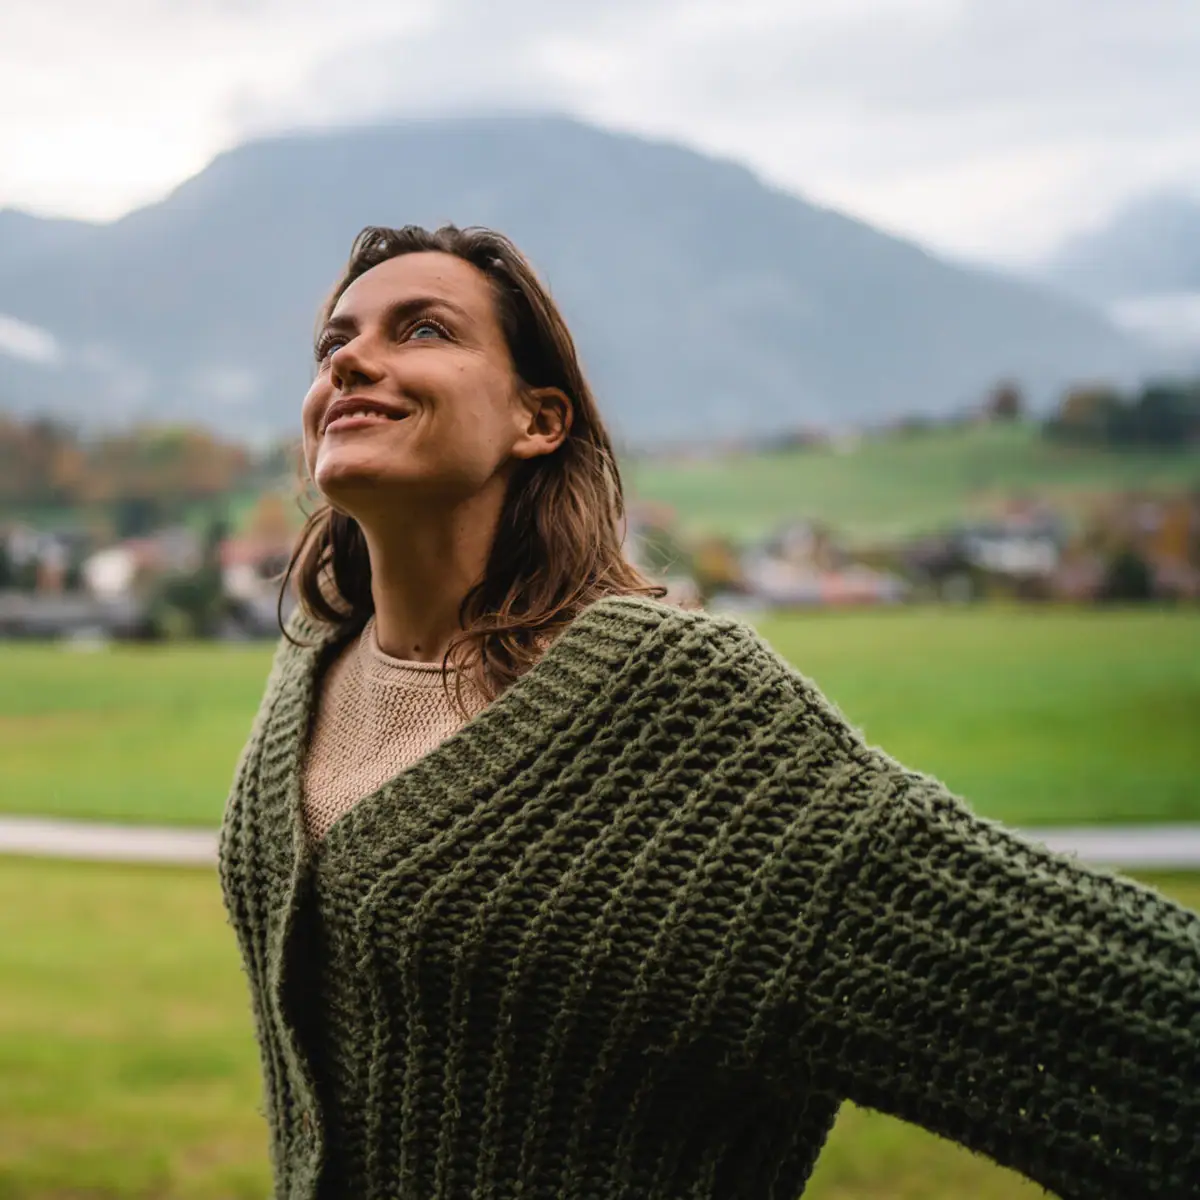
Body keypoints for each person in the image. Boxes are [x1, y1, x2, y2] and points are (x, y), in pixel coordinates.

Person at [218, 223, 1199, 1200]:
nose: (351, 361)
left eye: (423, 329)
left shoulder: (669, 705)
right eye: (335, 341)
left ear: (538, 419)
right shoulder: (313, 661)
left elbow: (1123, 1021)